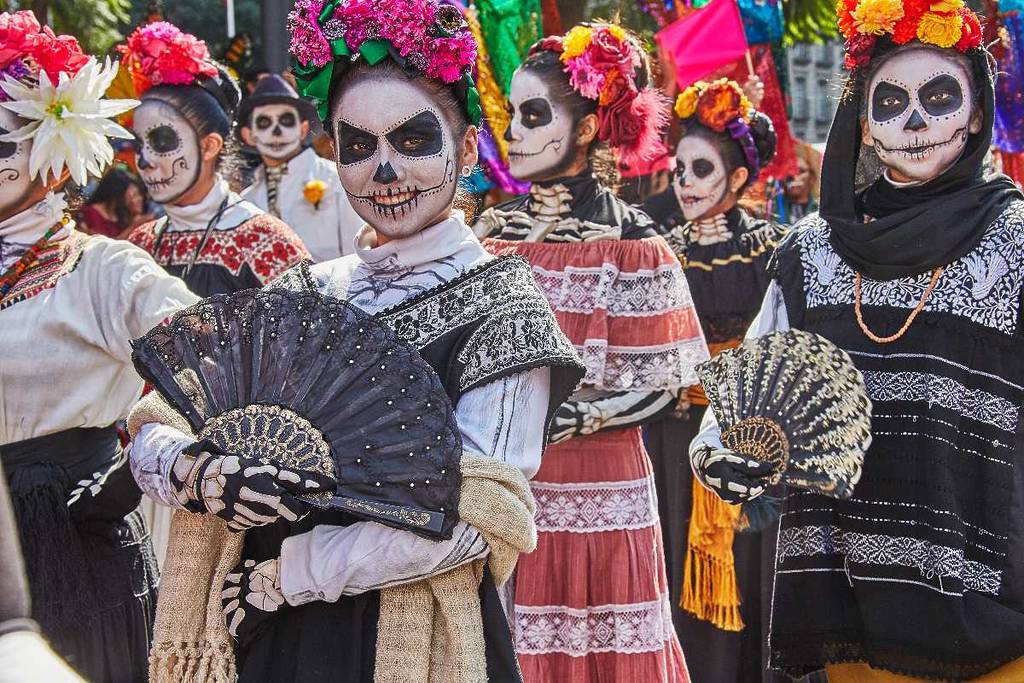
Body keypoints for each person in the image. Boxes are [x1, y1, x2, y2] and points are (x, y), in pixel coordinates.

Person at [127, 1, 585, 681]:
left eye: (413, 140)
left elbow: (474, 519)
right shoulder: (308, 289)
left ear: (466, 150)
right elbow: (159, 425)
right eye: (359, 146)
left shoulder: (505, 306)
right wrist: (199, 471)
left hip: (404, 637)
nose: (385, 171)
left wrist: (294, 572)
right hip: (265, 634)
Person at [691, 3, 1024, 680]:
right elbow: (750, 382)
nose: (916, 122)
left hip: (991, 611)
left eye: (939, 98)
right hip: (846, 607)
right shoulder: (810, 252)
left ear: (975, 115)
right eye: (892, 102)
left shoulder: (1017, 243)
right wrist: (716, 453)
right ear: (864, 124)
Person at [474, 24, 705, 682]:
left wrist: (581, 418)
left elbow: (666, 383)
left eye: (532, 114)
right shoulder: (491, 234)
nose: (511, 132)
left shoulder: (633, 241)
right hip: (505, 480)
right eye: (512, 114)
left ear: (583, 130)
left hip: (601, 484)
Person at [0, 11, 198, 681]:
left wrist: (142, 457)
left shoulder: (106, 271)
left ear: (53, 152)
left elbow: (221, 364)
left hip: (75, 549)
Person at [642, 78, 787, 682]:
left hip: (743, 445)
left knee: (748, 573)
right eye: (679, 169)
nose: (685, 182)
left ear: (735, 180)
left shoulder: (773, 250)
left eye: (701, 169)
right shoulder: (656, 251)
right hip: (669, 444)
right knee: (670, 568)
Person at [120, 22, 310, 297]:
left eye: (163, 142)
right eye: (139, 143)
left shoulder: (265, 241)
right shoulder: (140, 244)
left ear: (209, 146)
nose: (144, 160)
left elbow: (309, 335)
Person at [238, 74, 362, 261]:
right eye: (264, 123)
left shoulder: (338, 179)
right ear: (249, 135)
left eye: (286, 120)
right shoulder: (246, 201)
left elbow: (358, 255)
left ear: (303, 129)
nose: (277, 132)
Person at [78, 166, 154, 239]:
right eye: (133, 195)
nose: (138, 199)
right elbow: (103, 245)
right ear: (118, 193)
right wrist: (134, 226)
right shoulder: (89, 213)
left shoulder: (121, 216)